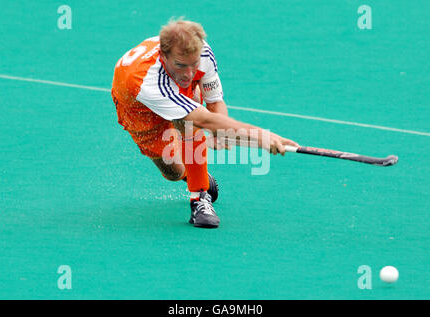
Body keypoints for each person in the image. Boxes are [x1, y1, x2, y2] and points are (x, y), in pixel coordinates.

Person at [111, 18, 299, 228]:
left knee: (188, 119)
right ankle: (192, 173)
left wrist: (222, 132)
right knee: (172, 172)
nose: (189, 74)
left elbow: (215, 103)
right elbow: (205, 119)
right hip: (138, 108)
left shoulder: (202, 52)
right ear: (163, 56)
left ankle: (199, 198)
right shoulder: (146, 80)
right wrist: (262, 137)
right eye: (181, 65)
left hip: (178, 95)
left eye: (194, 65)